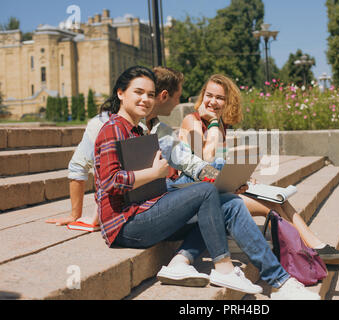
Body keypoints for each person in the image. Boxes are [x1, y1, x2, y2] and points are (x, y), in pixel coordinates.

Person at [93, 65, 265, 295]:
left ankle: (179, 263)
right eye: (139, 92)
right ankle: (224, 270)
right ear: (121, 93)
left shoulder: (137, 130)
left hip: (144, 210)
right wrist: (154, 173)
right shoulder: (112, 128)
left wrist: (224, 180)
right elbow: (109, 182)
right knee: (205, 192)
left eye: (150, 95)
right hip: (126, 225)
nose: (145, 99)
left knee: (219, 207)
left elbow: (189, 163)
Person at [179, 74, 339, 265]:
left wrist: (241, 178)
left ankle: (316, 245)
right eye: (209, 95)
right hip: (196, 199)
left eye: (220, 97)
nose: (213, 101)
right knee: (271, 206)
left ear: (228, 102)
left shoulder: (221, 126)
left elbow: (219, 165)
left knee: (279, 199)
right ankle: (306, 250)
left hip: (218, 190)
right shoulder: (192, 120)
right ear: (202, 96)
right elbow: (207, 157)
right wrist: (212, 121)